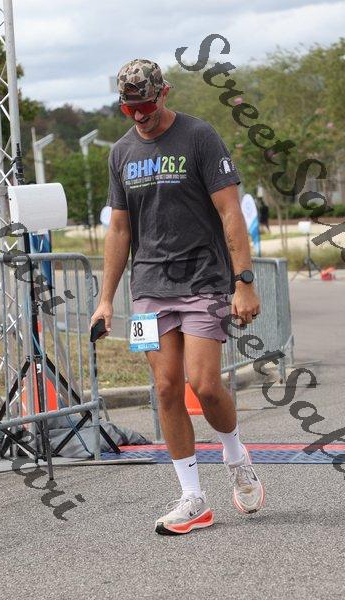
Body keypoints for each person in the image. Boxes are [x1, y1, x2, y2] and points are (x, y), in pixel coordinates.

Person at [90, 59, 265, 536]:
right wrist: (105, 300)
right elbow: (119, 229)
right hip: (148, 288)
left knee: (203, 384)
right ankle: (193, 498)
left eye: (145, 106)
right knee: (166, 387)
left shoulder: (199, 136)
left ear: (163, 93)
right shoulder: (121, 153)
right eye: (129, 108)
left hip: (204, 280)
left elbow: (230, 212)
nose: (139, 116)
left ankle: (236, 458)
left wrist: (244, 282)